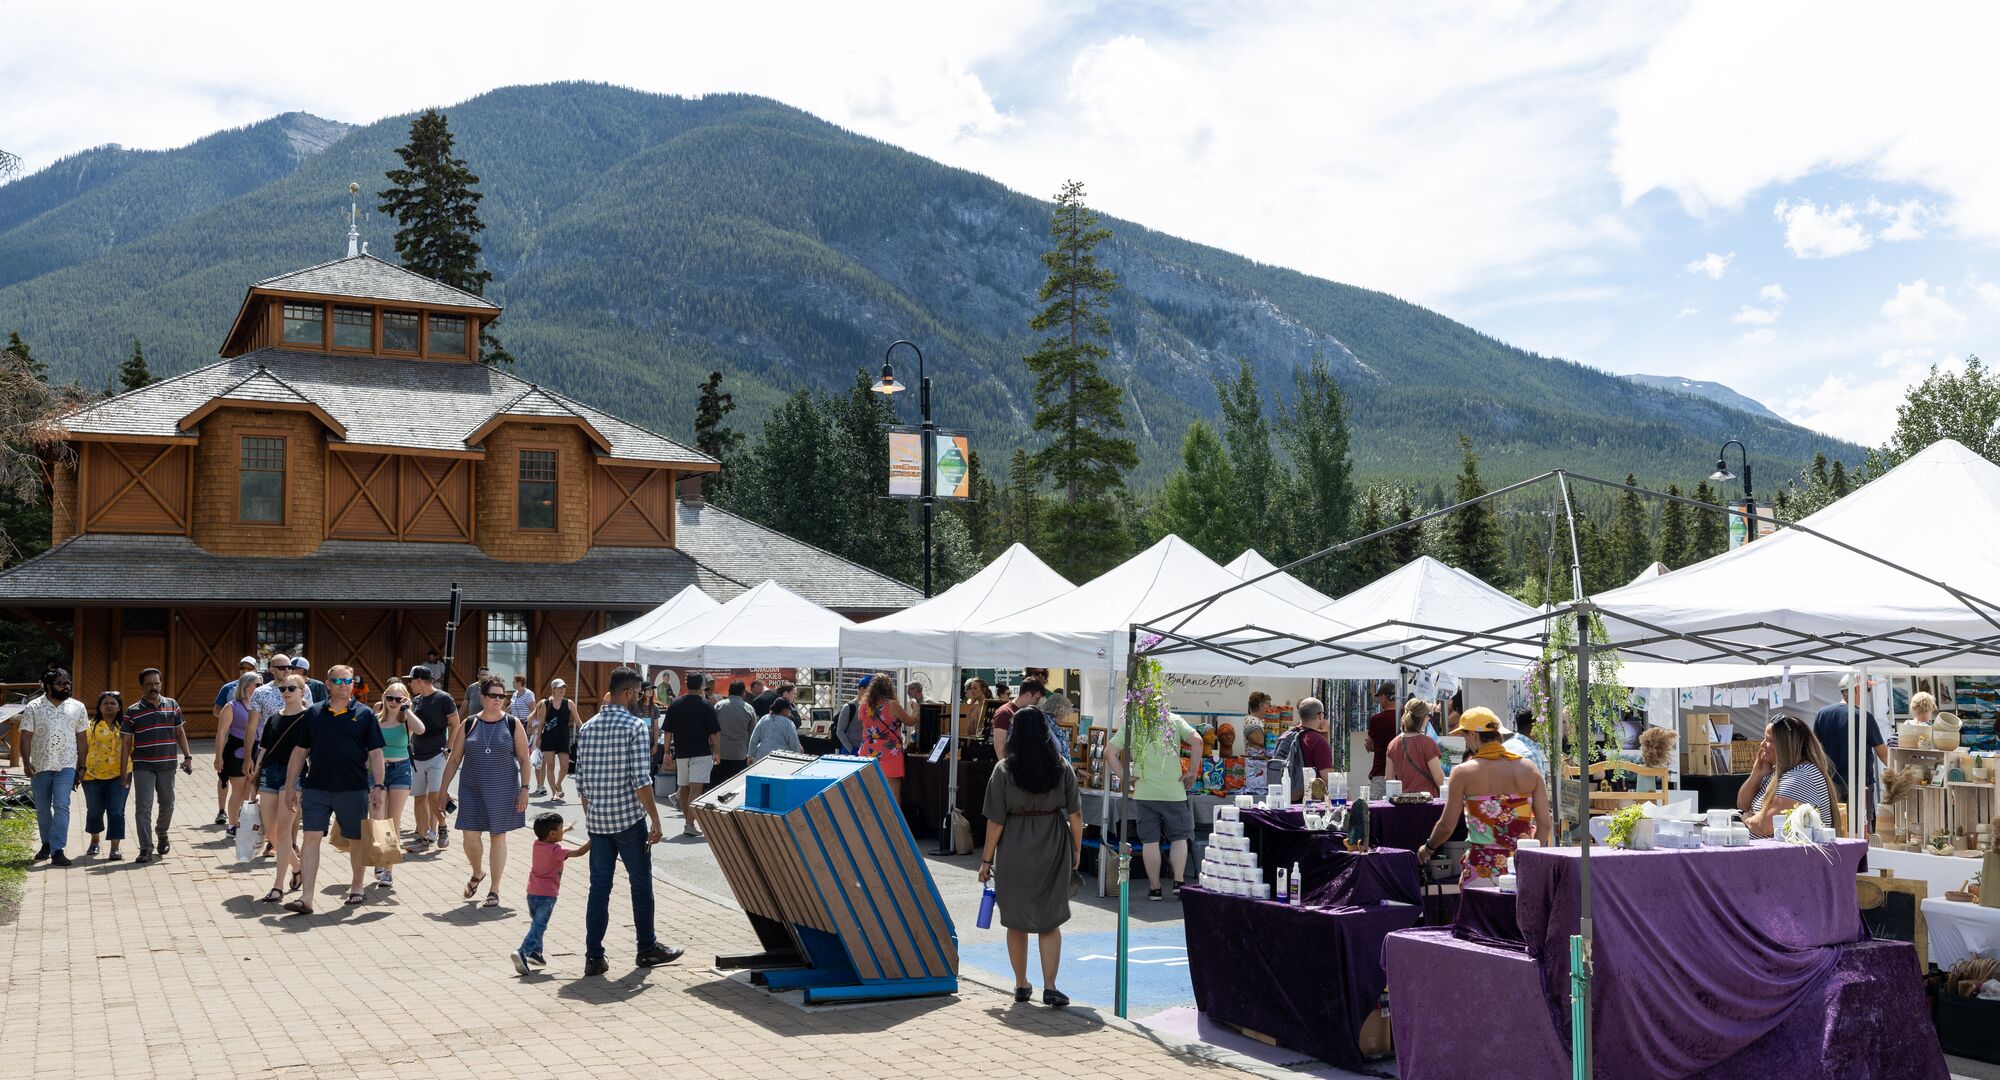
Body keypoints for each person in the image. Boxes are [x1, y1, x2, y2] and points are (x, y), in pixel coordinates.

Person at [571, 665, 681, 976]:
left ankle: (594, 956)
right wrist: (656, 821)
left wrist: (593, 816)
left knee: (599, 889)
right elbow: (641, 782)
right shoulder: (634, 727)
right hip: (629, 821)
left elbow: (581, 784)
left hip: (599, 822)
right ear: (630, 693)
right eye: (639, 692)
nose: (641, 697)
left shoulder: (588, 728)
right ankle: (646, 948)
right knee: (641, 884)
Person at [979, 707, 1083, 1008]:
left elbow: (995, 821)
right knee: (1050, 918)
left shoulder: (1004, 770)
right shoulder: (1061, 766)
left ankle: (1021, 984)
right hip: (1053, 841)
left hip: (1014, 846)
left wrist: (986, 861)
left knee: (1016, 919)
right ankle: (1050, 986)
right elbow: (1075, 814)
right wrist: (1076, 849)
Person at [281, 665, 385, 913]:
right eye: (336, 680)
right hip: (316, 787)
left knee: (356, 840)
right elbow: (299, 752)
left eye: (347, 680)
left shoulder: (365, 714)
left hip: (353, 788)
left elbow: (376, 753)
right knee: (311, 838)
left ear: (352, 684)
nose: (342, 684)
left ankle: (357, 886)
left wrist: (379, 786)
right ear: (327, 684)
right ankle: (306, 898)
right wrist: (290, 785)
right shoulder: (314, 714)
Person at [1417, 707, 1552, 886]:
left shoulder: (1463, 772)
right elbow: (1544, 824)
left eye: (1465, 736)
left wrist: (1428, 848)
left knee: (1479, 913)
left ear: (1473, 735)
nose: (1467, 742)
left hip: (1480, 868)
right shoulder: (1529, 769)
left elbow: (1446, 826)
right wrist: (1530, 857)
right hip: (1521, 867)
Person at [441, 676, 532, 906]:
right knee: (469, 837)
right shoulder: (470, 723)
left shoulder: (512, 723)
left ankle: (494, 889)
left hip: (503, 789)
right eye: (493, 696)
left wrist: (525, 789)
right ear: (482, 698)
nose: (498, 700)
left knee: (498, 837)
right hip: (472, 789)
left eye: (502, 696)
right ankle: (477, 872)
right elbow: (453, 760)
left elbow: (524, 758)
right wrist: (442, 790)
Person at [1108, 699, 1203, 901]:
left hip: (1145, 792)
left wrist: (1125, 777)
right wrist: (1193, 772)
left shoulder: (1133, 724)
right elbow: (1198, 742)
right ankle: (1178, 881)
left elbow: (1110, 753)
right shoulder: (1175, 721)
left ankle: (1155, 888)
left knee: (1150, 841)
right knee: (1179, 837)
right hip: (1174, 791)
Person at [121, 667, 192, 864]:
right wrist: (123, 771)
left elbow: (180, 733)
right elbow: (126, 743)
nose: (154, 687)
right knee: (143, 807)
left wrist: (188, 756)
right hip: (143, 765)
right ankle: (145, 847)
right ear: (142, 686)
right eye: (149, 684)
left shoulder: (172, 705)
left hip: (167, 764)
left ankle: (162, 833)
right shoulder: (133, 711)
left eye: (156, 683)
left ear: (161, 684)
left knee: (167, 803)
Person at [251, 673, 311, 902]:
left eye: (291, 688)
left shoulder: (308, 718)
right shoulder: (274, 718)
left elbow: (311, 751)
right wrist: (254, 778)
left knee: (284, 831)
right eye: (283, 689)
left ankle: (277, 886)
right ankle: (297, 867)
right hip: (269, 773)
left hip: (293, 776)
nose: (286, 692)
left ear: (302, 692)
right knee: (271, 831)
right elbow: (263, 749)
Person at [20, 668, 89, 866]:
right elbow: (25, 735)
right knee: (42, 808)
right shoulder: (34, 706)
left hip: (66, 765)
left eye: (68, 682)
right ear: (48, 686)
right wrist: (26, 763)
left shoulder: (78, 707)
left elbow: (82, 738)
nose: (66, 686)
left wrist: (82, 766)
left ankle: (58, 849)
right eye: (61, 683)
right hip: (39, 765)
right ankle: (46, 843)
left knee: (61, 805)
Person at [514, 812, 589, 975]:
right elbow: (578, 852)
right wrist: (594, 840)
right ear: (553, 833)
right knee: (539, 925)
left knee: (536, 923)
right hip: (547, 895)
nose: (563, 831)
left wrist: (567, 829)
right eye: (561, 829)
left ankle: (536, 953)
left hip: (532, 892)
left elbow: (551, 836)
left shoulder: (537, 844)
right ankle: (523, 951)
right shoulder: (556, 849)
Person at [1740, 716, 1839, 836]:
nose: (1762, 744)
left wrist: (1746, 819)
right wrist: (1756, 774)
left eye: (1769, 740)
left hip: (1785, 854)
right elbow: (1742, 804)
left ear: (1786, 745)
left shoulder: (1800, 777)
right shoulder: (1781, 773)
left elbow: (1765, 825)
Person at [369, 679, 424, 887]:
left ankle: (388, 868)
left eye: (398, 698)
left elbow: (421, 730)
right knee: (377, 818)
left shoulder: (407, 721)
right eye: (390, 697)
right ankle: (380, 855)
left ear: (405, 700)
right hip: (376, 772)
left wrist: (407, 709)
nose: (393, 702)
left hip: (400, 770)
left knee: (394, 820)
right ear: (384, 698)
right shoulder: (375, 719)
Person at [1813, 673, 1885, 827]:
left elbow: (1814, 749)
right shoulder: (1863, 716)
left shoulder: (1822, 714)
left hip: (1830, 782)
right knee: (1860, 829)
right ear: (1857, 690)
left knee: (1835, 827)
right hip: (1859, 783)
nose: (1866, 694)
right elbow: (1882, 752)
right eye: (1867, 690)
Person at [403, 665, 460, 854]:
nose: (409, 684)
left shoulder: (444, 698)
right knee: (419, 799)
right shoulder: (416, 701)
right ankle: (422, 838)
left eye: (410, 680)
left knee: (434, 796)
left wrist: (448, 749)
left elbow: (455, 724)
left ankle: (442, 827)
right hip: (417, 756)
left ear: (419, 680)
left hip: (437, 754)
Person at [663, 672, 720, 836]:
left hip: (681, 752)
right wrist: (717, 751)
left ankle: (688, 824)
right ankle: (689, 824)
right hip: (701, 752)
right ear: (702, 686)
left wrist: (666, 752)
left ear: (686, 685)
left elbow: (667, 731)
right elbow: (714, 733)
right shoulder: (707, 705)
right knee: (696, 789)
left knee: (685, 788)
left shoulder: (675, 704)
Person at [81, 691, 130, 860]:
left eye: (113, 703)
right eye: (105, 703)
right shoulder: (90, 726)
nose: (109, 705)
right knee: (94, 811)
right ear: (100, 707)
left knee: (116, 811)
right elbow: (83, 749)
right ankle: (94, 840)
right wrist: (79, 770)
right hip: (92, 776)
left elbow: (132, 748)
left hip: (120, 775)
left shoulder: (126, 726)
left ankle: (115, 847)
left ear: (119, 707)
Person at [215, 672, 260, 840]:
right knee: (239, 790)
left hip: (256, 750)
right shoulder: (231, 706)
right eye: (258, 685)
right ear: (247, 686)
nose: (260, 688)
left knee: (250, 790)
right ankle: (232, 825)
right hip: (235, 751)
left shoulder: (259, 705)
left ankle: (244, 823)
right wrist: (218, 757)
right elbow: (221, 733)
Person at [856, 673, 912, 802]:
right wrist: (915, 710)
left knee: (869, 791)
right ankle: (894, 821)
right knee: (894, 792)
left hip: (867, 751)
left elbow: (860, 719)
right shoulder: (893, 705)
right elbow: (910, 721)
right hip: (890, 752)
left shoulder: (863, 706)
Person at [1385, 697, 1446, 797]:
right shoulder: (1428, 743)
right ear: (1424, 718)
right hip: (1428, 803)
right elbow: (1440, 781)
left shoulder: (1393, 744)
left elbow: (1389, 779)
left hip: (1403, 803)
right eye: (1428, 716)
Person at [529, 678, 574, 802]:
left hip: (563, 737)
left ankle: (558, 783)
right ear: (553, 689)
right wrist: (538, 738)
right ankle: (554, 793)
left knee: (565, 766)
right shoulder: (546, 704)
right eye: (559, 687)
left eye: (564, 687)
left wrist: (586, 731)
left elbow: (578, 721)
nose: (562, 690)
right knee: (550, 765)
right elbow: (541, 722)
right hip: (549, 737)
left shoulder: (569, 703)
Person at [990, 678, 1046, 760]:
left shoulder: (1028, 712)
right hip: (1012, 767)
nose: (1037, 702)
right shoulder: (1004, 713)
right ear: (1028, 695)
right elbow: (999, 746)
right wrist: (1006, 770)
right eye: (1036, 699)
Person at [712, 680, 756, 786]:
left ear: (729, 691)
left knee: (718, 786)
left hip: (720, 753)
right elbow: (753, 734)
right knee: (736, 787)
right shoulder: (748, 709)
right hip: (740, 754)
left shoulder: (718, 706)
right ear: (743, 692)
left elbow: (711, 729)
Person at [1364, 684, 1397, 780]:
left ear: (1383, 697)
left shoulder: (1376, 719)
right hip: (1402, 775)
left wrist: (1368, 744)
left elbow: (1369, 745)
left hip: (1381, 773)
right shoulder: (1405, 717)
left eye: (1379, 698)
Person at [834, 675, 872, 753]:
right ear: (862, 689)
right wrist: (851, 749)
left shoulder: (874, 707)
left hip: (867, 749)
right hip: (850, 750)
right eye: (871, 691)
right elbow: (840, 731)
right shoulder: (849, 707)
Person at [1506, 709, 1548, 774]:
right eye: (1542, 725)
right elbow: (1539, 783)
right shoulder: (1531, 754)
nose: (1544, 730)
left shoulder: (1505, 746)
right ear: (1535, 728)